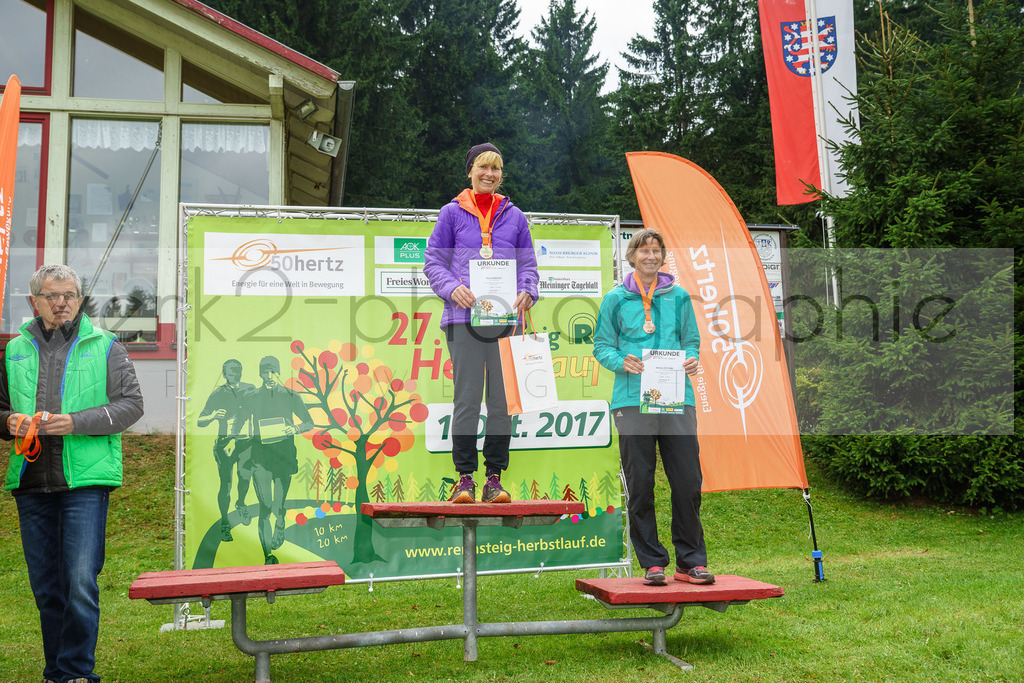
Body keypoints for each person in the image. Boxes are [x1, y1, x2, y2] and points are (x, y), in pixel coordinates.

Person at [1, 264, 144, 683]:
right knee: (47, 588)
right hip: (30, 482)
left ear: (80, 300)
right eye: (51, 296)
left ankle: (77, 672)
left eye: (69, 296)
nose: (61, 303)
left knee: (80, 582)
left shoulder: (108, 346)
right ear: (34, 302)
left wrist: (75, 422)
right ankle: (56, 673)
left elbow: (131, 406)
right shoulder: (12, 351)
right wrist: (8, 421)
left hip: (85, 482)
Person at [593, 229, 714, 586]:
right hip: (632, 402)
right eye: (643, 251)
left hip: (677, 399)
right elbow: (601, 345)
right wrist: (620, 360)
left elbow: (691, 341)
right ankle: (652, 561)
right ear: (631, 257)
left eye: (656, 251)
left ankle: (690, 561)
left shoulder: (679, 297)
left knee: (688, 482)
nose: (650, 256)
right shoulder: (615, 298)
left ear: (663, 257)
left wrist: (691, 360)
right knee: (641, 484)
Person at [424, 142, 538, 504]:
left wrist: (527, 292)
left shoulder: (515, 216)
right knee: (468, 400)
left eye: (496, 169)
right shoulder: (451, 213)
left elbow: (529, 267)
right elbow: (433, 263)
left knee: (503, 403)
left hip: (505, 321)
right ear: (470, 171)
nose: (489, 174)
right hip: (463, 319)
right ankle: (463, 480)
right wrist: (451, 287)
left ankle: (493, 479)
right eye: (483, 167)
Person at [233, 355, 312, 564]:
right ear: (260, 374)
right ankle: (268, 555)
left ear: (278, 372)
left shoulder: (290, 396)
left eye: (273, 371)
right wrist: (234, 437)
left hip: (284, 457)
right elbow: (240, 419)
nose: (269, 376)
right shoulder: (251, 397)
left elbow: (308, 422)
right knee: (265, 505)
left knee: (278, 506)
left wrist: (294, 428)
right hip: (260, 458)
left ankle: (281, 522)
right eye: (265, 372)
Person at [197, 358, 255, 542]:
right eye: (231, 373)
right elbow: (200, 420)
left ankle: (241, 503)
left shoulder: (250, 388)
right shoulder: (218, 394)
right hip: (225, 444)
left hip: (246, 442)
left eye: (238, 372)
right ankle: (225, 523)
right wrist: (213, 416)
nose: (235, 376)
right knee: (226, 484)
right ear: (224, 375)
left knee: (245, 477)